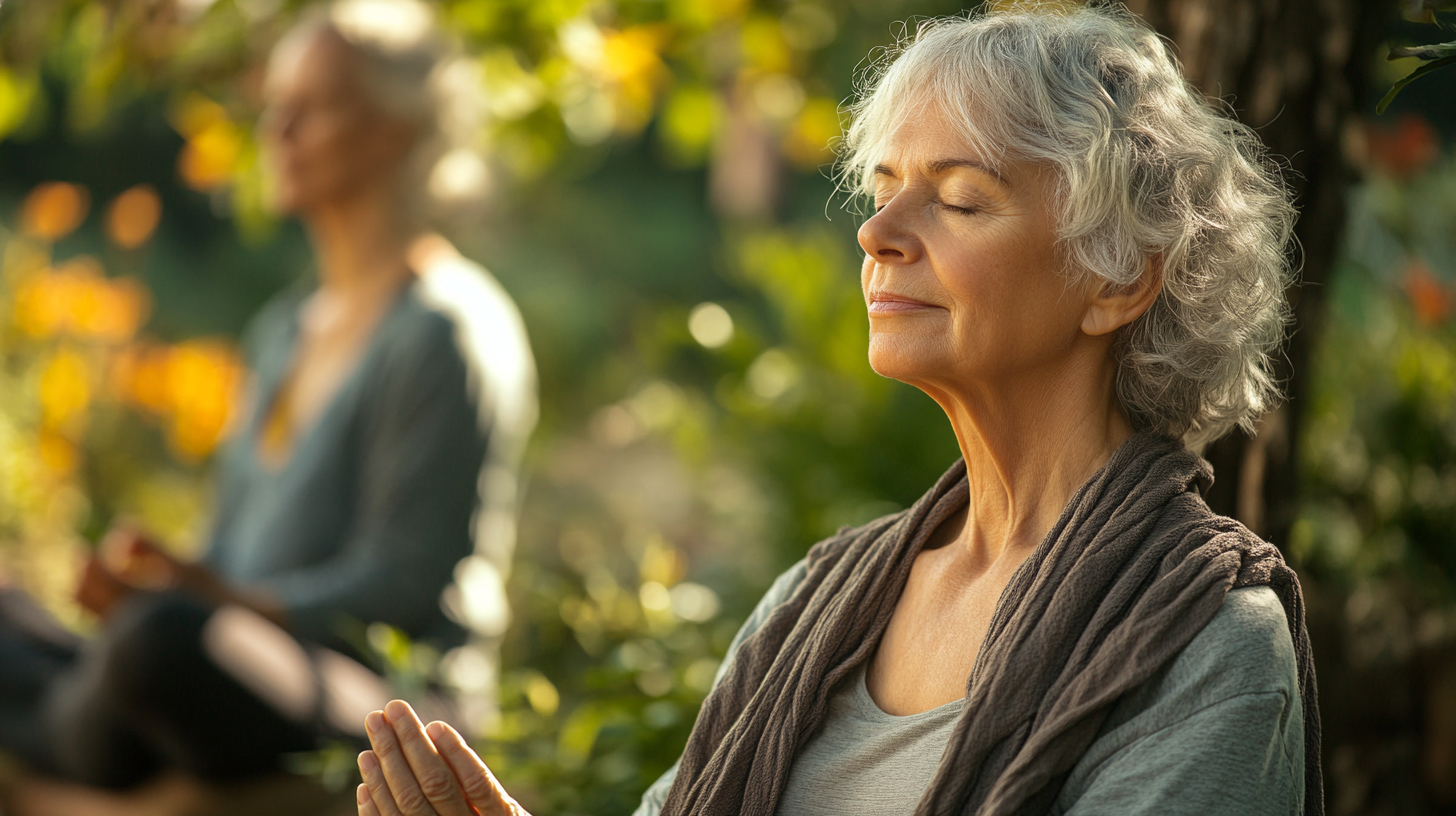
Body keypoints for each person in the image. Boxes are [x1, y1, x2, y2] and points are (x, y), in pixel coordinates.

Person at [353, 4, 1321, 816]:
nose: (876, 233)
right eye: (884, 189)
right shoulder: (818, 601)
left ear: (1118, 279)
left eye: (959, 199)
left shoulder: (1206, 645)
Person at [0, 1, 536, 801]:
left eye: (310, 108)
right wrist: (172, 582)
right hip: (243, 658)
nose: (275, 131)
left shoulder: (444, 330)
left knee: (162, 644)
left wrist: (223, 606)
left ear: (393, 130)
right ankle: (86, 699)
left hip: (382, 698)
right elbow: (232, 550)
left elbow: (404, 582)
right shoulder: (283, 328)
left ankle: (64, 722)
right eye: (273, 107)